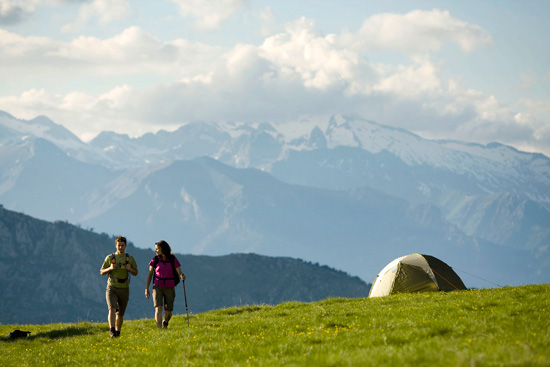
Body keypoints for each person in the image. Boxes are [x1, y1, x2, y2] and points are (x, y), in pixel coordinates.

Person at [100, 236, 138, 338]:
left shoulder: (130, 258)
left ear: (125, 246)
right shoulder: (110, 258)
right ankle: (112, 330)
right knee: (112, 308)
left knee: (120, 314)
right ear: (115, 246)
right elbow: (101, 271)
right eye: (119, 245)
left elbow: (136, 272)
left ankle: (118, 332)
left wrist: (130, 269)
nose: (120, 247)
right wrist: (110, 268)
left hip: (124, 288)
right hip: (111, 287)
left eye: (122, 245)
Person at [145, 240, 186, 329]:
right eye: (155, 249)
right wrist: (146, 288)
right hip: (157, 287)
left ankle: (165, 321)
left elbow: (179, 272)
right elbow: (150, 274)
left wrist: (182, 276)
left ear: (163, 249)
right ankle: (160, 330)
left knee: (168, 312)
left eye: (157, 249)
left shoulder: (172, 259)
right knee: (158, 309)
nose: (156, 251)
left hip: (169, 287)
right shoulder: (155, 260)